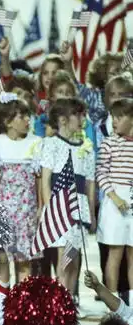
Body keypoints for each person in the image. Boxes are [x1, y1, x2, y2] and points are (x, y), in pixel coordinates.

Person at [41, 98, 96, 305]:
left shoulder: (87, 148)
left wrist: (91, 213)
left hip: (78, 209)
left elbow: (89, 184)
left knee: (73, 258)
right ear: (63, 120)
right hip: (60, 207)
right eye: (77, 114)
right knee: (63, 259)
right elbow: (46, 180)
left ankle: (69, 301)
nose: (82, 119)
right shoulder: (51, 144)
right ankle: (59, 303)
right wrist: (49, 210)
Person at [0, 92, 42, 282]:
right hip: (5, 212)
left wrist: (41, 207)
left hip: (27, 212)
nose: (28, 120)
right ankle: (2, 300)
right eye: (22, 116)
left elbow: (39, 179)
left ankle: (21, 304)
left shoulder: (35, 143)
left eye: (28, 115)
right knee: (3, 259)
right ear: (8, 121)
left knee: (24, 261)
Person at [96, 97, 133, 298]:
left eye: (120, 117)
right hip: (114, 202)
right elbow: (101, 172)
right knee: (115, 254)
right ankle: (112, 304)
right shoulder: (109, 143)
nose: (115, 121)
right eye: (113, 117)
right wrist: (115, 197)